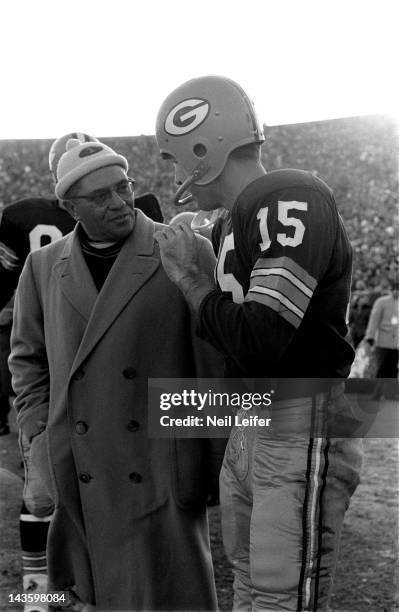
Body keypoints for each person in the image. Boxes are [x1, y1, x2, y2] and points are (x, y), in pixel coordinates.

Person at [154, 75, 363, 611]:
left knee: (280, 596)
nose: (177, 176)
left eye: (177, 159)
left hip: (300, 419)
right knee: (249, 584)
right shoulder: (232, 222)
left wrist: (192, 281)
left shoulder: (287, 194)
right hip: (255, 420)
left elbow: (262, 337)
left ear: (203, 148)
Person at [9, 137, 223, 611]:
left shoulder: (188, 251)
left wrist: (210, 466)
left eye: (123, 187)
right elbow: (28, 362)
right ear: (70, 206)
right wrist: (40, 441)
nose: (120, 202)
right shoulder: (42, 266)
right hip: (80, 469)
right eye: (101, 196)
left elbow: (211, 367)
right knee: (80, 597)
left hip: (161, 467)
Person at [365, 280, 399, 399]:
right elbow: (374, 319)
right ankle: (377, 394)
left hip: (396, 342)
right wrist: (370, 335)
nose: (396, 291)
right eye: (395, 289)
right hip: (383, 340)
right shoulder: (381, 301)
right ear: (391, 289)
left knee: (393, 369)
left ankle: (391, 394)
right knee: (381, 369)